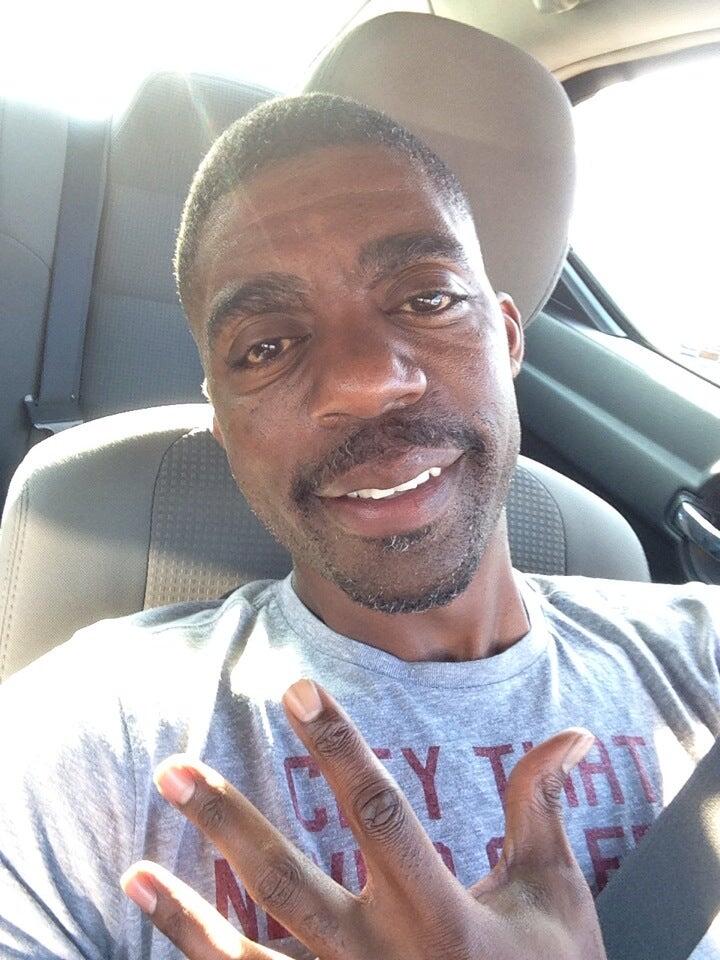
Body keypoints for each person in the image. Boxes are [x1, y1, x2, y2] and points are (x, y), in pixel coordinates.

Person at [1, 92, 718, 960]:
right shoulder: (91, 735)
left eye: (427, 298)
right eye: (266, 346)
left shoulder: (702, 657)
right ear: (223, 424)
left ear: (507, 339)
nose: (364, 380)